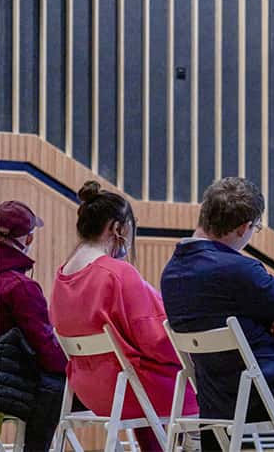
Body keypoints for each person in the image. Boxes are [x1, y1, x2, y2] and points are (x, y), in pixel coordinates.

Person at [161, 177, 274, 437]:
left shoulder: (171, 273)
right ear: (243, 227)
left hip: (216, 399)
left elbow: (243, 312)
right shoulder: (238, 269)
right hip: (271, 391)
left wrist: (273, 317)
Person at [49, 182, 198, 452]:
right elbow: (159, 339)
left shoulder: (63, 275)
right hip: (129, 389)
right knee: (207, 382)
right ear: (118, 228)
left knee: (137, 369)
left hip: (88, 389)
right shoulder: (117, 273)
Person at [0, 200, 68, 452]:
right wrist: (74, 365)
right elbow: (46, 349)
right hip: (6, 384)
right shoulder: (21, 287)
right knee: (56, 384)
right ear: (27, 240)